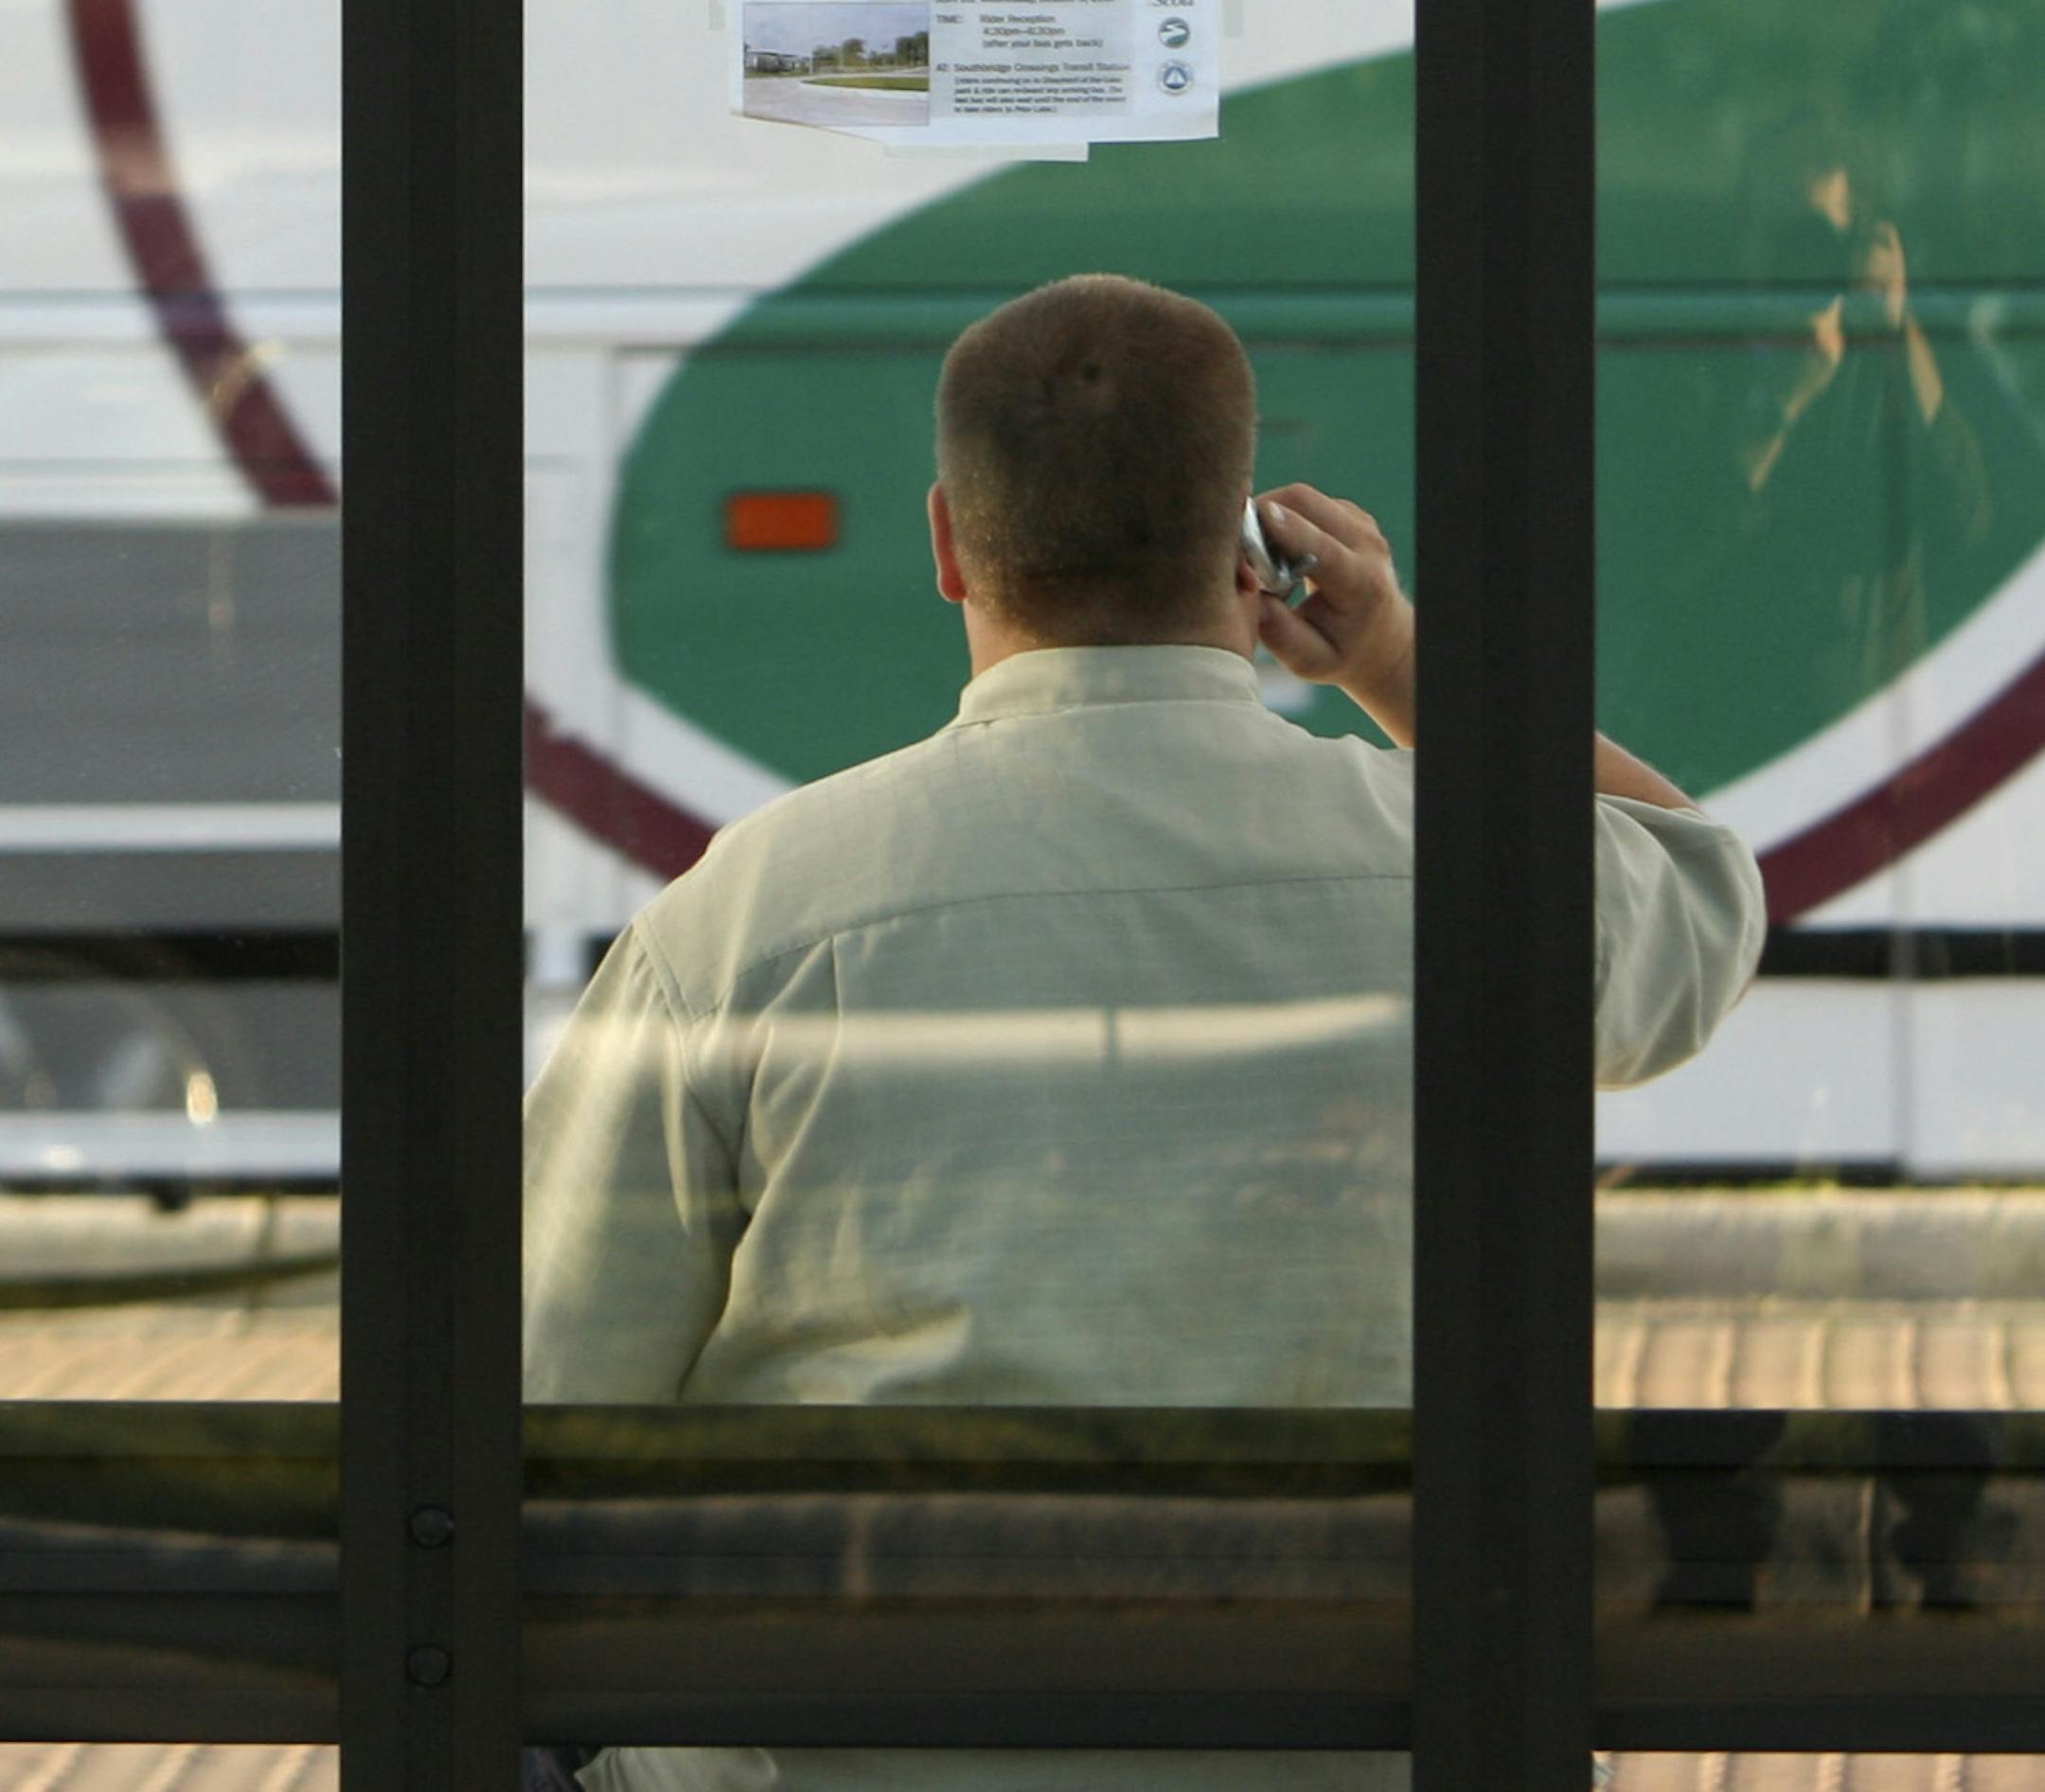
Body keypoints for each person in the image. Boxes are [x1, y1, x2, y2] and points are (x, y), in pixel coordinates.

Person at [524, 274, 1765, 1792]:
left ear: (943, 543)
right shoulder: (1455, 867)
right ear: (1250, 553)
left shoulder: (750, 913)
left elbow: (540, 1387)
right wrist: (1388, 654)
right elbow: (1701, 887)